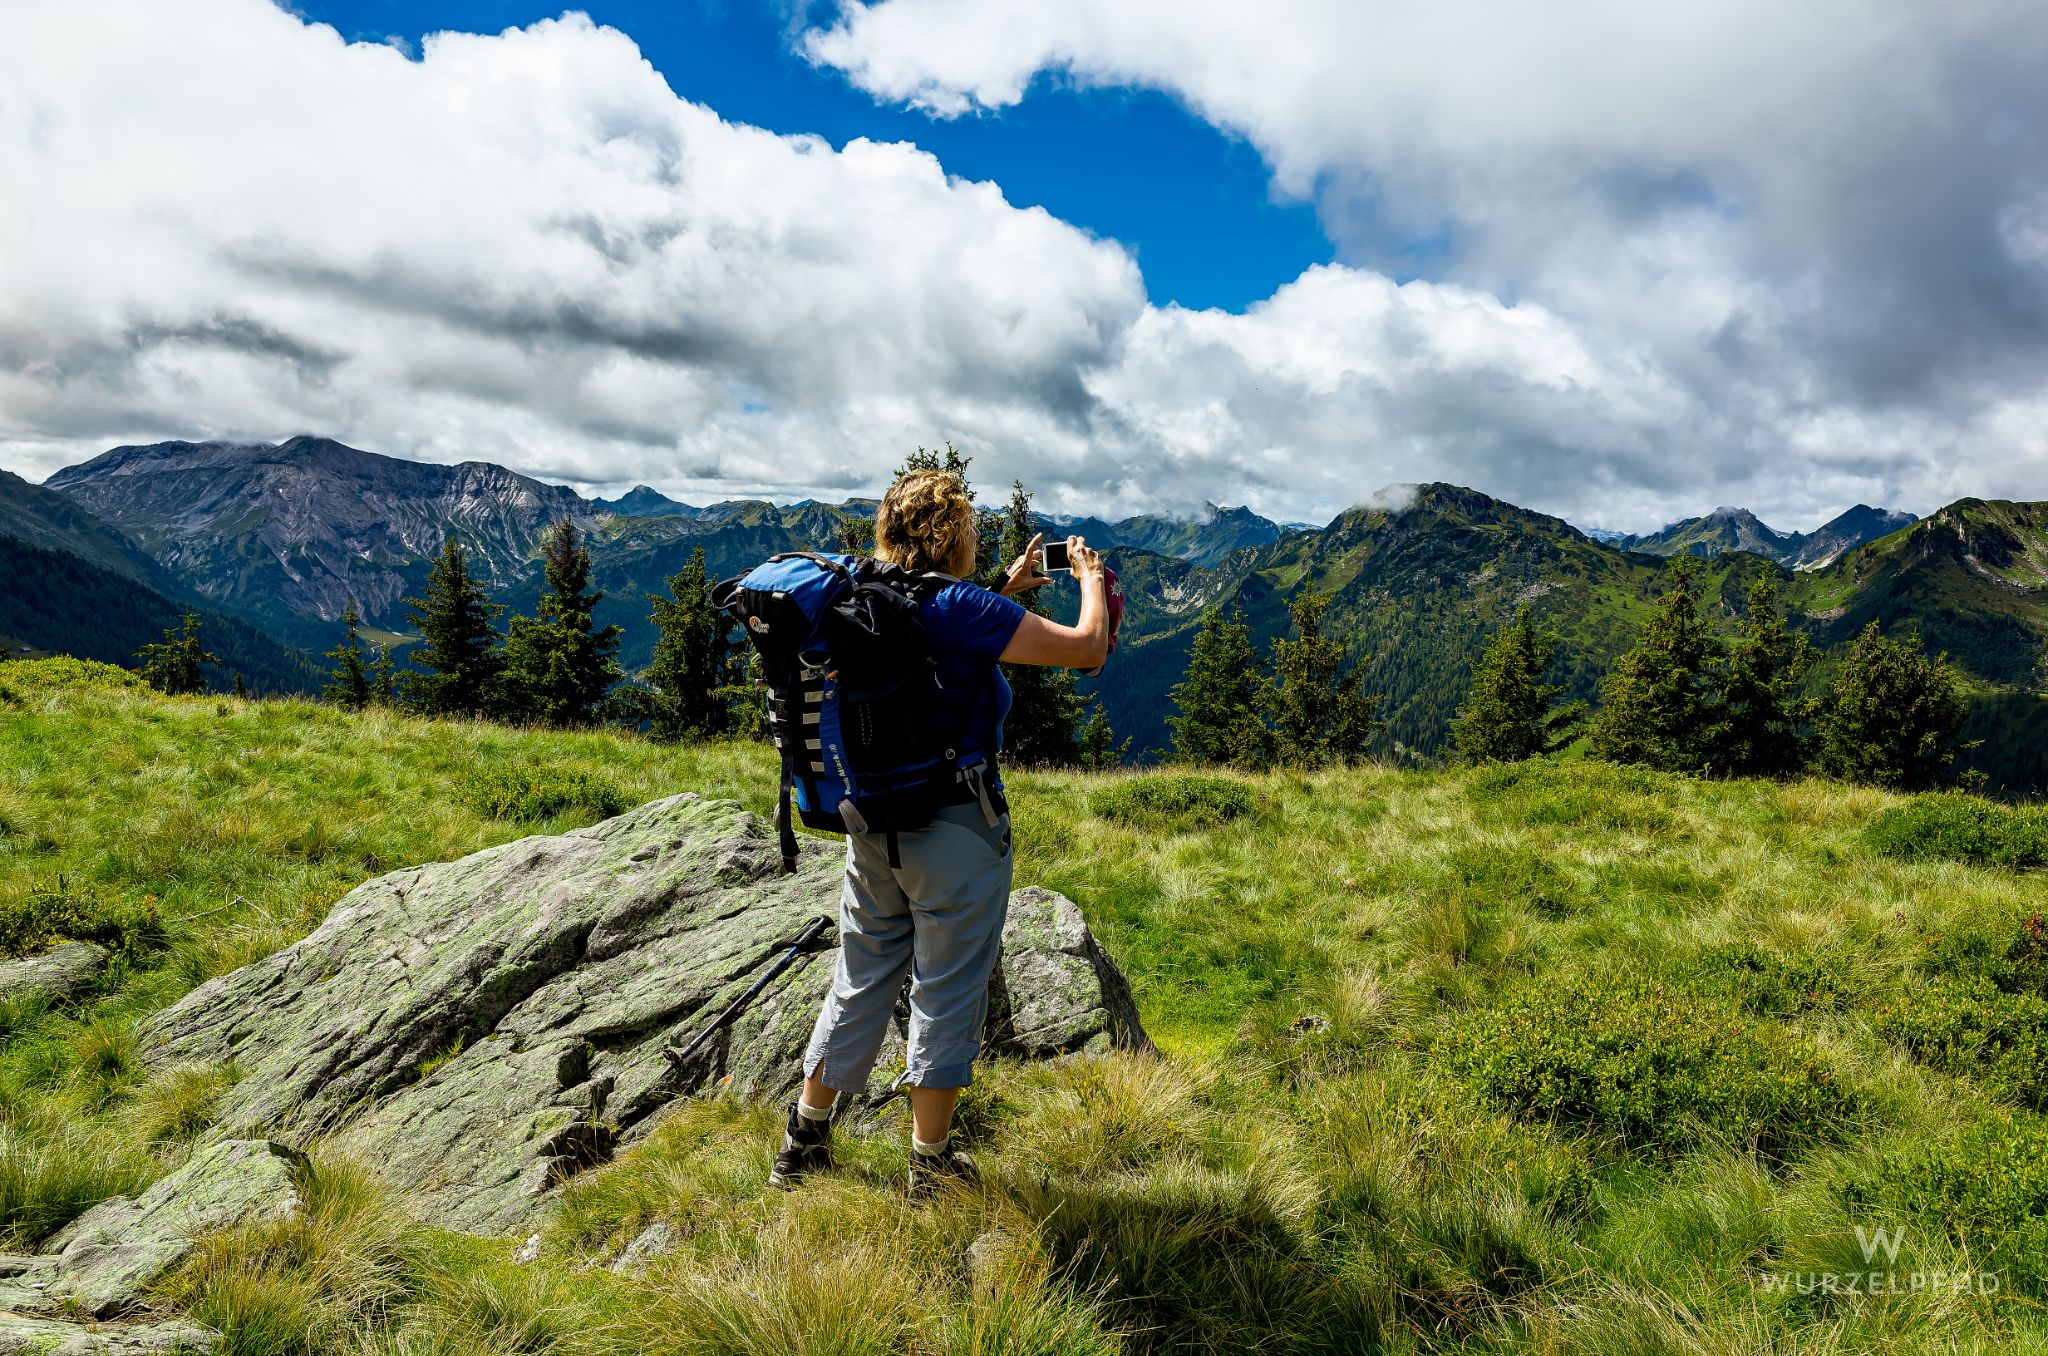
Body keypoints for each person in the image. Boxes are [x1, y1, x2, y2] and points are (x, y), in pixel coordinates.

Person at [770, 467, 1110, 1198]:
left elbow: (932, 634)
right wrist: (1087, 577)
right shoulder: (961, 606)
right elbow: (1086, 648)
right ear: (954, 535)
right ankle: (930, 1165)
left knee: (859, 979)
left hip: (872, 825)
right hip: (955, 829)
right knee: (948, 990)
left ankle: (801, 1142)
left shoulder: (864, 594)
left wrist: (1006, 588)